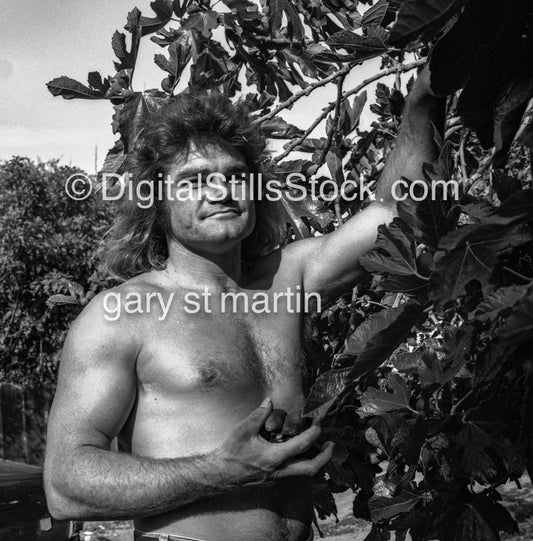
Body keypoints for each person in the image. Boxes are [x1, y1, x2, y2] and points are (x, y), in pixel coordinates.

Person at [44, 66, 444, 541]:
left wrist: (428, 87)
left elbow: (394, 212)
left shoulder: (287, 280)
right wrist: (219, 470)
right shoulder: (121, 317)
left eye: (235, 177)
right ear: (157, 202)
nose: (220, 192)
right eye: (193, 181)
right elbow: (66, 485)